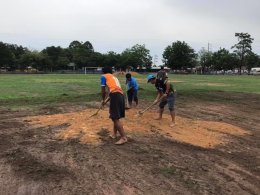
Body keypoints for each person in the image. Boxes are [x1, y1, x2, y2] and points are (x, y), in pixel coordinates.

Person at [100, 66, 127, 145]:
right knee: (116, 117)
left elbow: (103, 91)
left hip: (115, 96)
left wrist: (102, 99)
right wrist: (105, 101)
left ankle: (123, 138)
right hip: (121, 96)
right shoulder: (113, 77)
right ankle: (114, 134)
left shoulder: (103, 76)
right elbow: (113, 91)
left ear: (103, 72)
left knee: (115, 117)